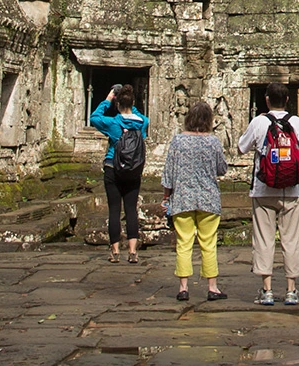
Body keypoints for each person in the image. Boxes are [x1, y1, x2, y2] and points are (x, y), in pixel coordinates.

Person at [237, 84, 299, 305]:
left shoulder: (259, 122)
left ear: (267, 100)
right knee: (292, 239)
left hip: (263, 189)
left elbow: (241, 148)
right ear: (288, 99)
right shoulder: (296, 122)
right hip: (291, 190)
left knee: (264, 239)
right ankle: (291, 289)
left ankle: (267, 289)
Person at [162, 100, 227, 302]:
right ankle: (212, 287)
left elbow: (168, 173)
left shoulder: (178, 141)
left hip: (183, 198)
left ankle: (183, 287)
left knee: (184, 243)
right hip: (208, 198)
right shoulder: (213, 142)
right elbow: (222, 169)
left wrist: (166, 196)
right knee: (209, 243)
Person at [90, 84, 149, 263]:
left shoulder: (113, 123)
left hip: (112, 167)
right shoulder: (142, 122)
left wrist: (109, 99)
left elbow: (94, 117)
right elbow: (138, 116)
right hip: (133, 170)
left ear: (118, 104)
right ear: (132, 103)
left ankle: (115, 252)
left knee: (114, 210)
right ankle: (133, 251)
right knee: (131, 209)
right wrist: (131, 105)